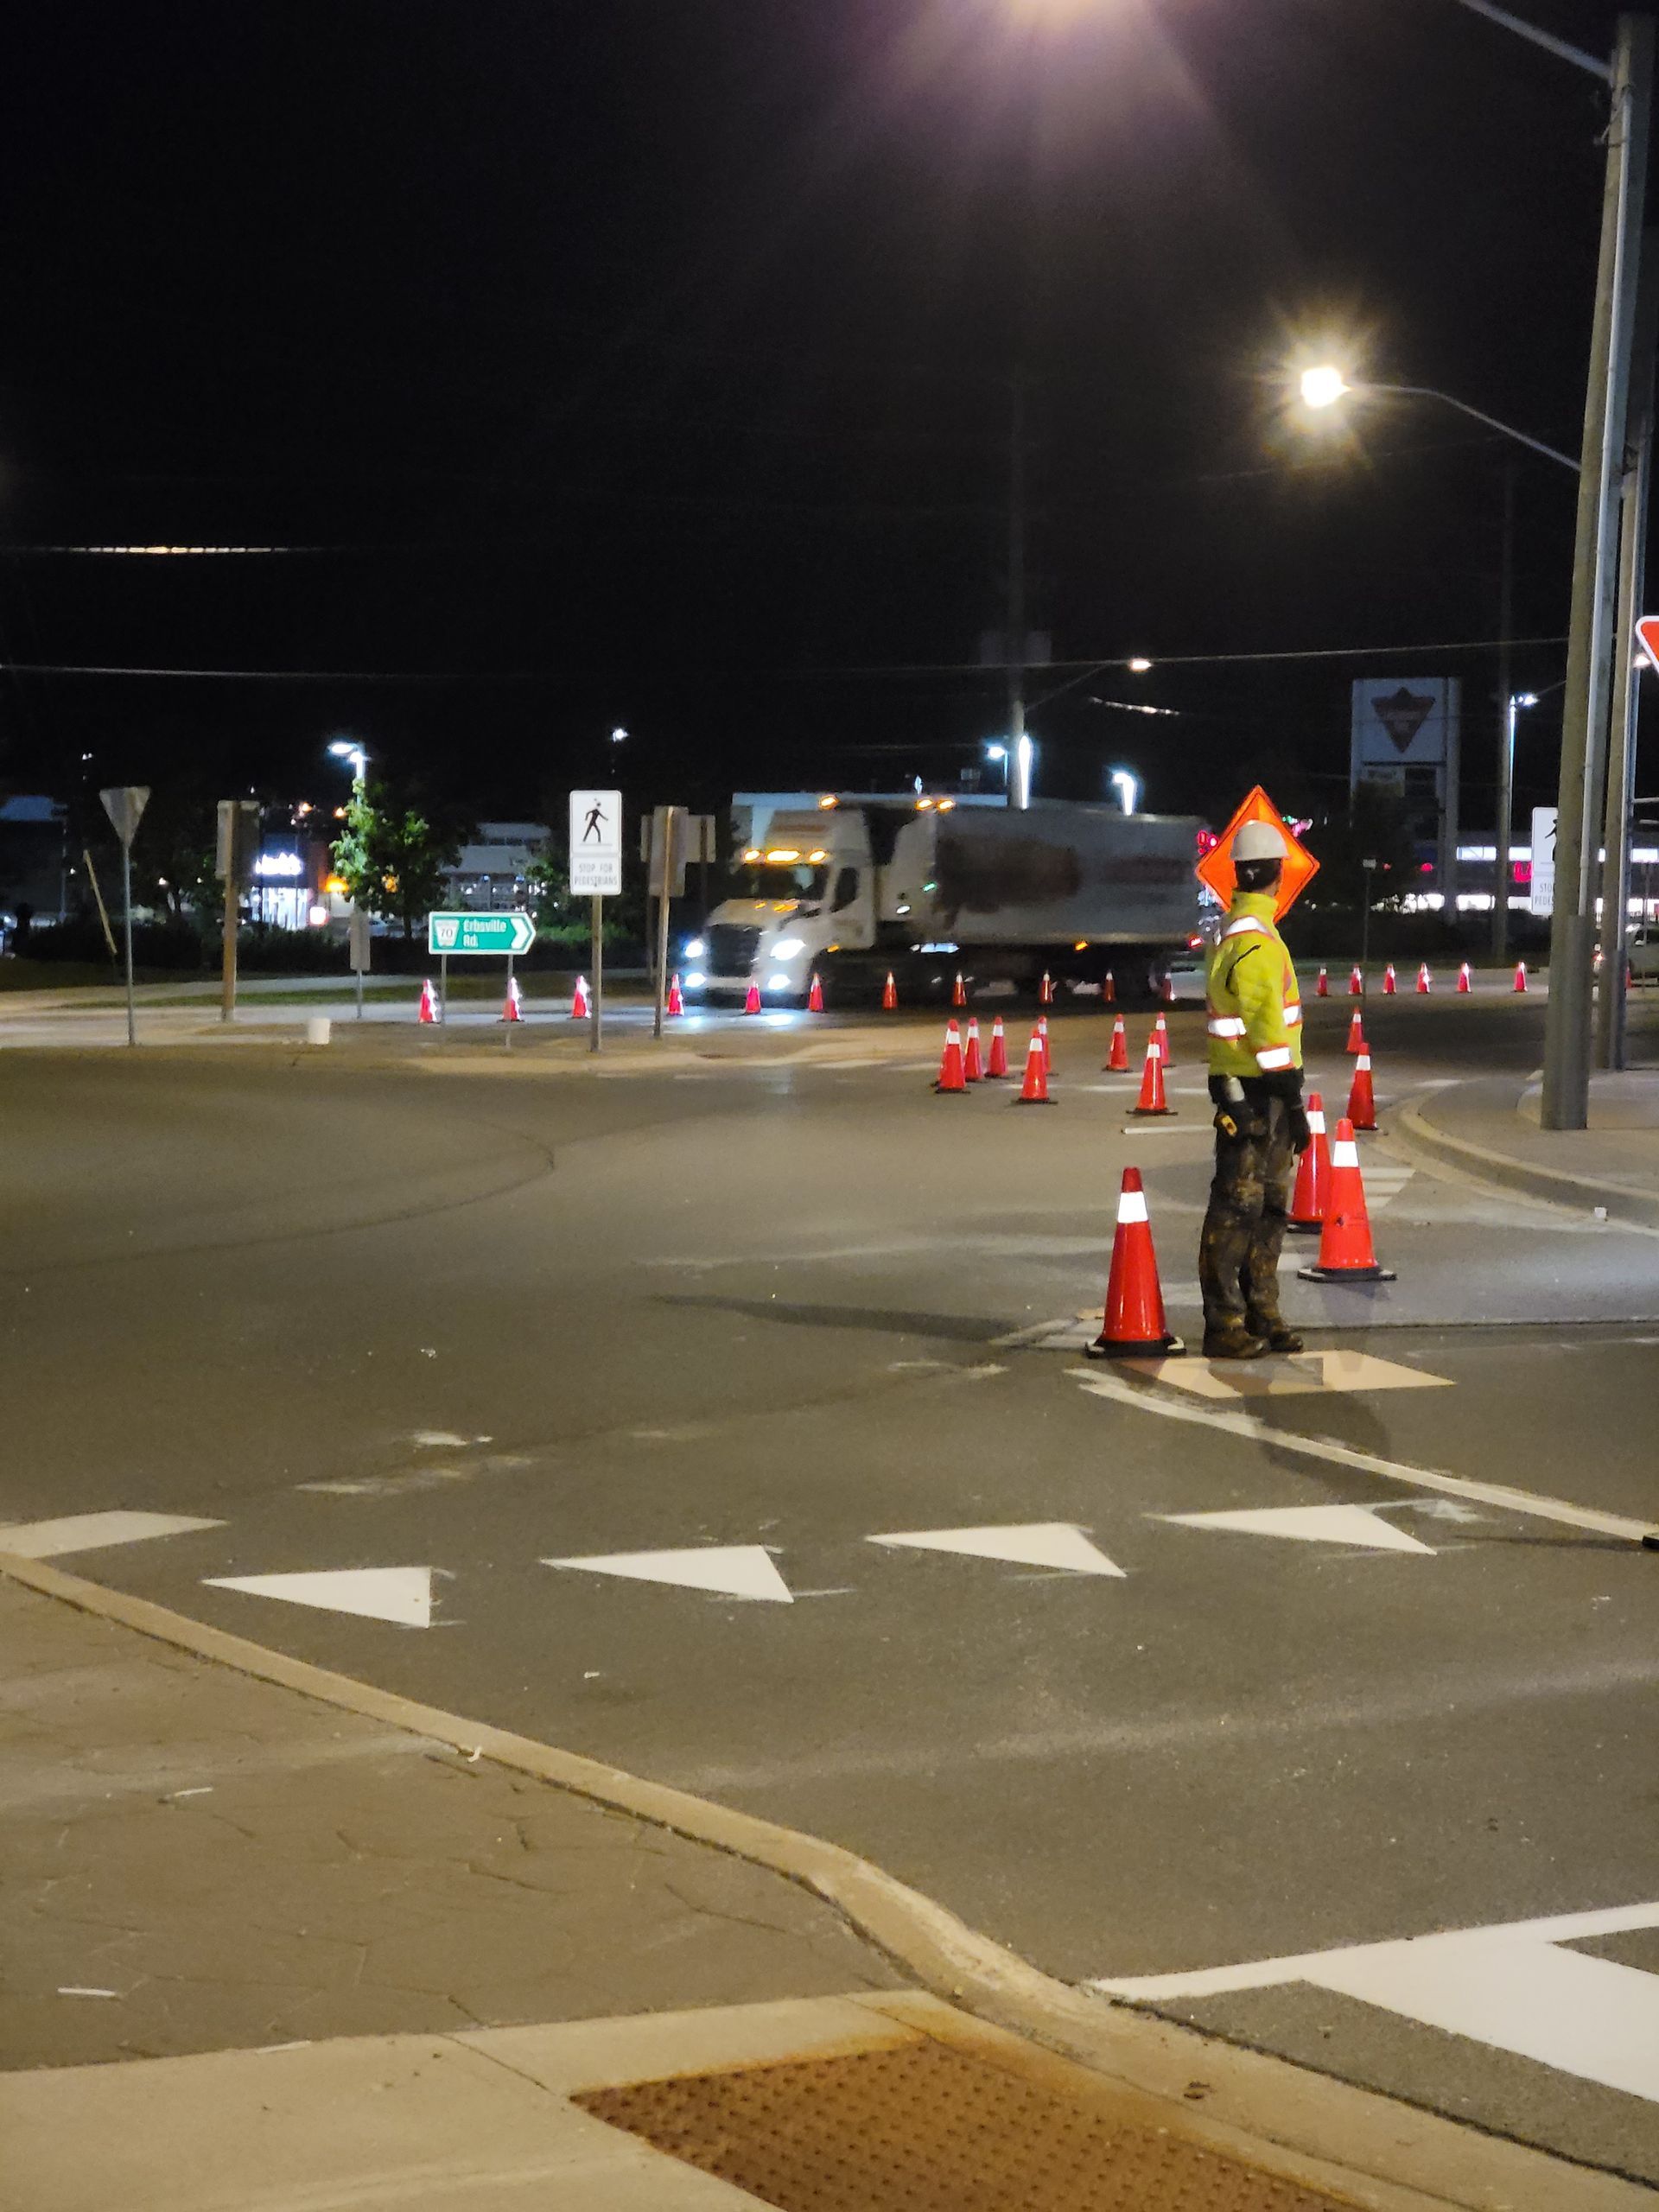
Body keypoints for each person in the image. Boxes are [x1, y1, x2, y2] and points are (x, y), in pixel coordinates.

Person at [1200, 819, 1312, 1359]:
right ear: (1277, 875)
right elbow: (1269, 1034)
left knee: (1264, 1206)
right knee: (1241, 1206)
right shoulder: (1257, 941)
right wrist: (1294, 1101)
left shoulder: (1233, 930)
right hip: (1258, 1091)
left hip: (1243, 1086)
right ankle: (1225, 1324)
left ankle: (1261, 1314)